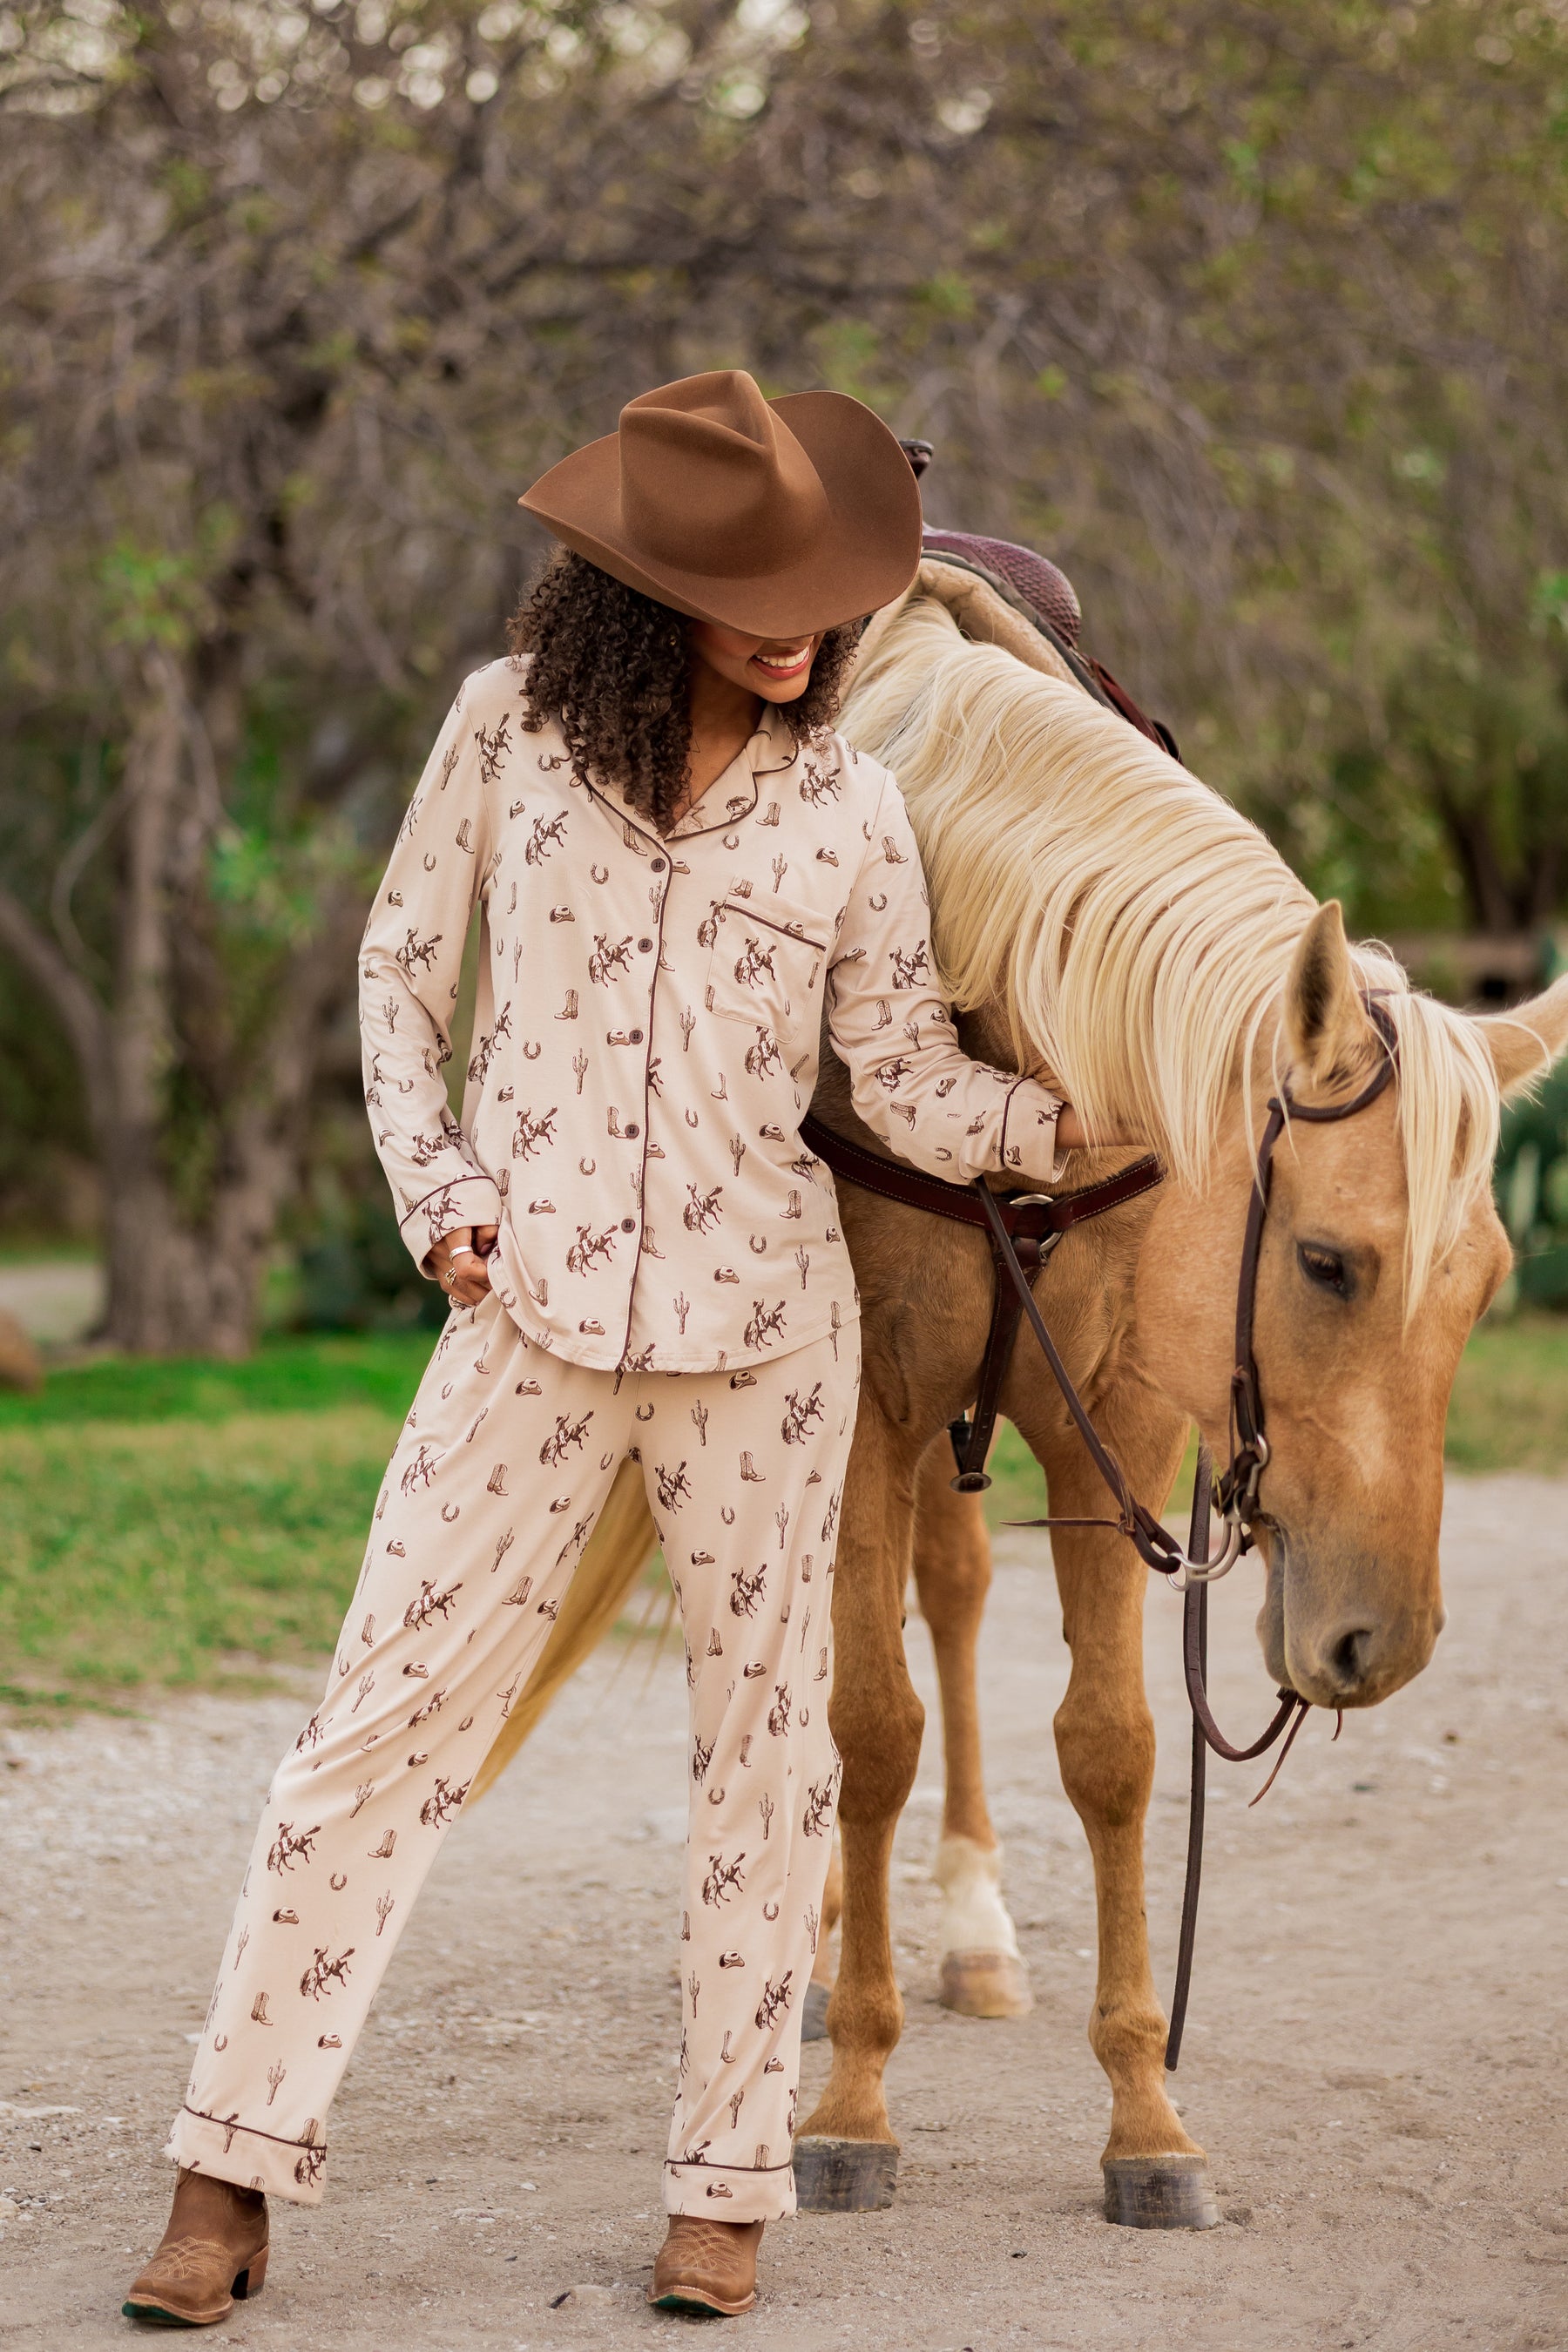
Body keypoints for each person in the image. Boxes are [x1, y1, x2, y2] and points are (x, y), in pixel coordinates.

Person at [124, 369, 1097, 2327]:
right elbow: (402, 981)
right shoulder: (504, 739)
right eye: (752, 583)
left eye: (818, 587)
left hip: (766, 1342)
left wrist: (1082, 1124)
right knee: (370, 1741)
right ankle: (228, 2169)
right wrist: (442, 1194)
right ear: (640, 587)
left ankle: (724, 2189)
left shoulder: (855, 809)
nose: (797, 622)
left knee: (764, 1768)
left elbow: (900, 1078)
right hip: (530, 1325)